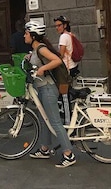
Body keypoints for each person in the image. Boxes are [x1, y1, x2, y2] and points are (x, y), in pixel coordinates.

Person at [25, 21, 76, 168]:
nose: (24, 35)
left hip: (48, 89)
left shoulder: (41, 48)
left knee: (54, 121)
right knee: (44, 120)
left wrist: (43, 69)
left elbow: (57, 60)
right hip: (41, 89)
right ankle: (44, 149)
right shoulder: (36, 50)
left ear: (33, 36)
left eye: (26, 33)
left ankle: (69, 154)